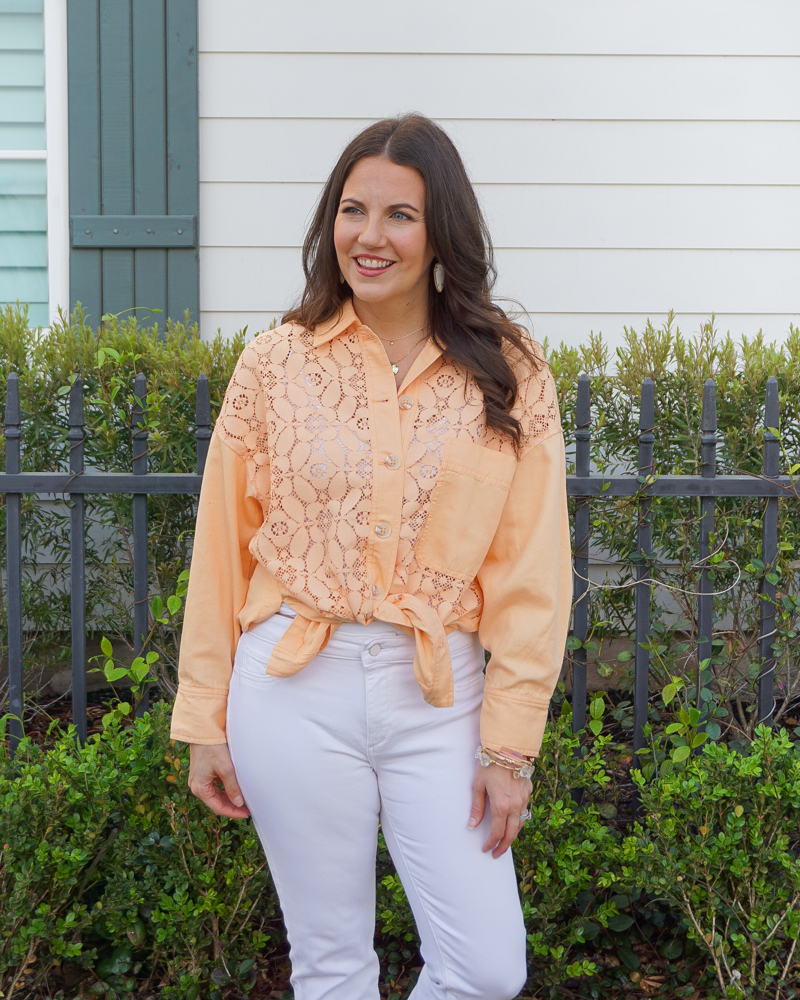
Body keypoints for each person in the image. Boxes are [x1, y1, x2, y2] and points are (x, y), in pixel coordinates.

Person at [171, 114, 571, 1000]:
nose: (370, 236)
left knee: (487, 967)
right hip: (288, 685)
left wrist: (510, 750)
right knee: (330, 964)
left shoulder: (509, 374)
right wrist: (204, 717)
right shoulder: (274, 363)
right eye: (353, 211)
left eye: (400, 215)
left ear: (441, 234)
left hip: (441, 697)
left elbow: (532, 578)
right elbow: (221, 552)